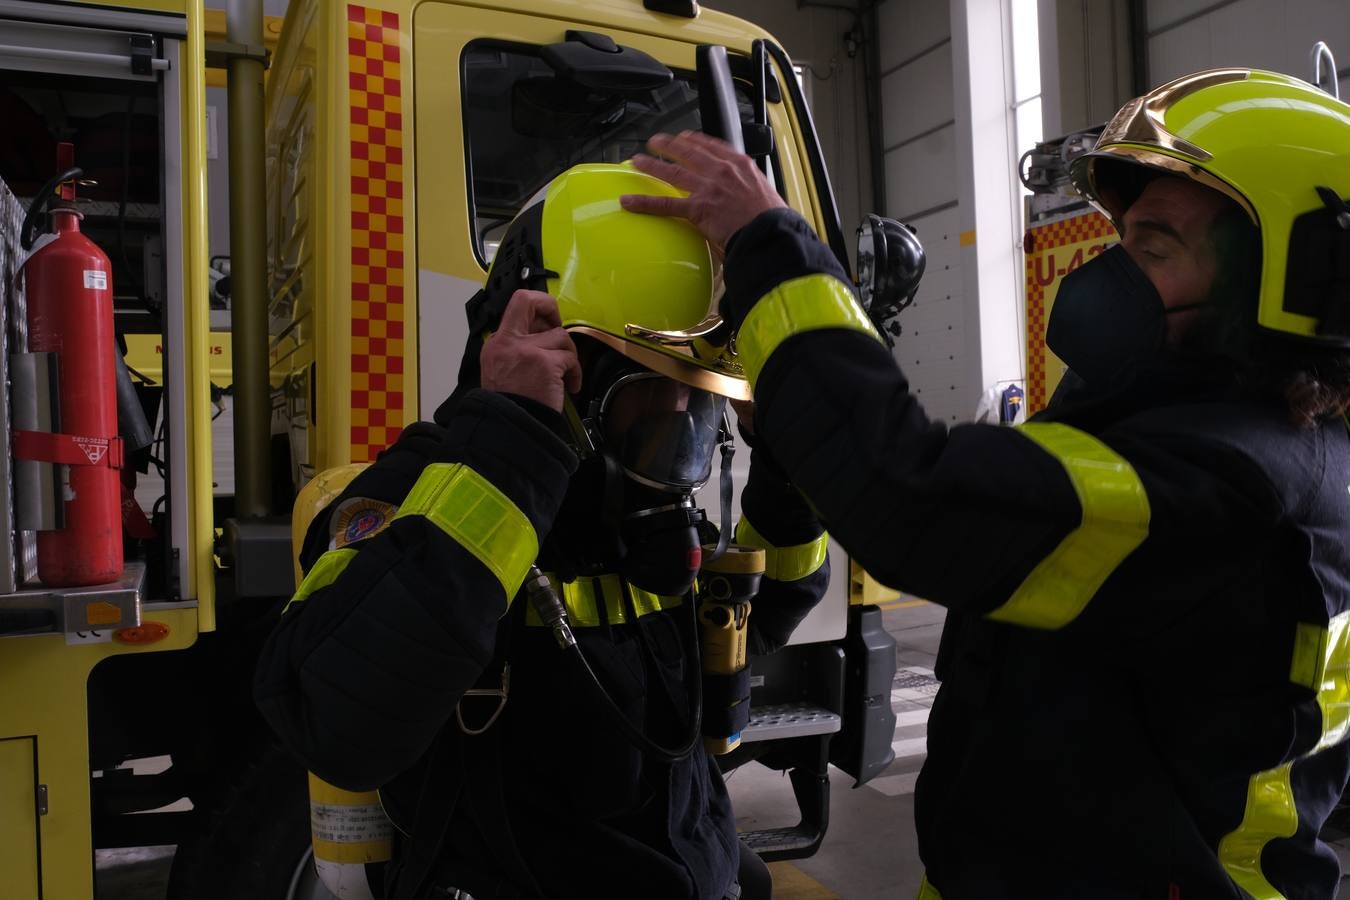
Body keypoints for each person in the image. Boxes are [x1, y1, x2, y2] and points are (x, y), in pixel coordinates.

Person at [618, 69, 1350, 898]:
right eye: (1122, 242)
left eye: (1155, 247)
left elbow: (911, 494)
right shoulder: (1205, 432)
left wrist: (771, 247)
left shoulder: (1229, 484)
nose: (1111, 276)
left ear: (1288, 276)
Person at [253, 162, 830, 899]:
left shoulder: (644, 510)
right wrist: (511, 456)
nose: (680, 423)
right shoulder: (422, 491)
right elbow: (337, 724)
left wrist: (786, 478)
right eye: (652, 393)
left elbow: (762, 611)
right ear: (565, 370)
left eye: (699, 402)